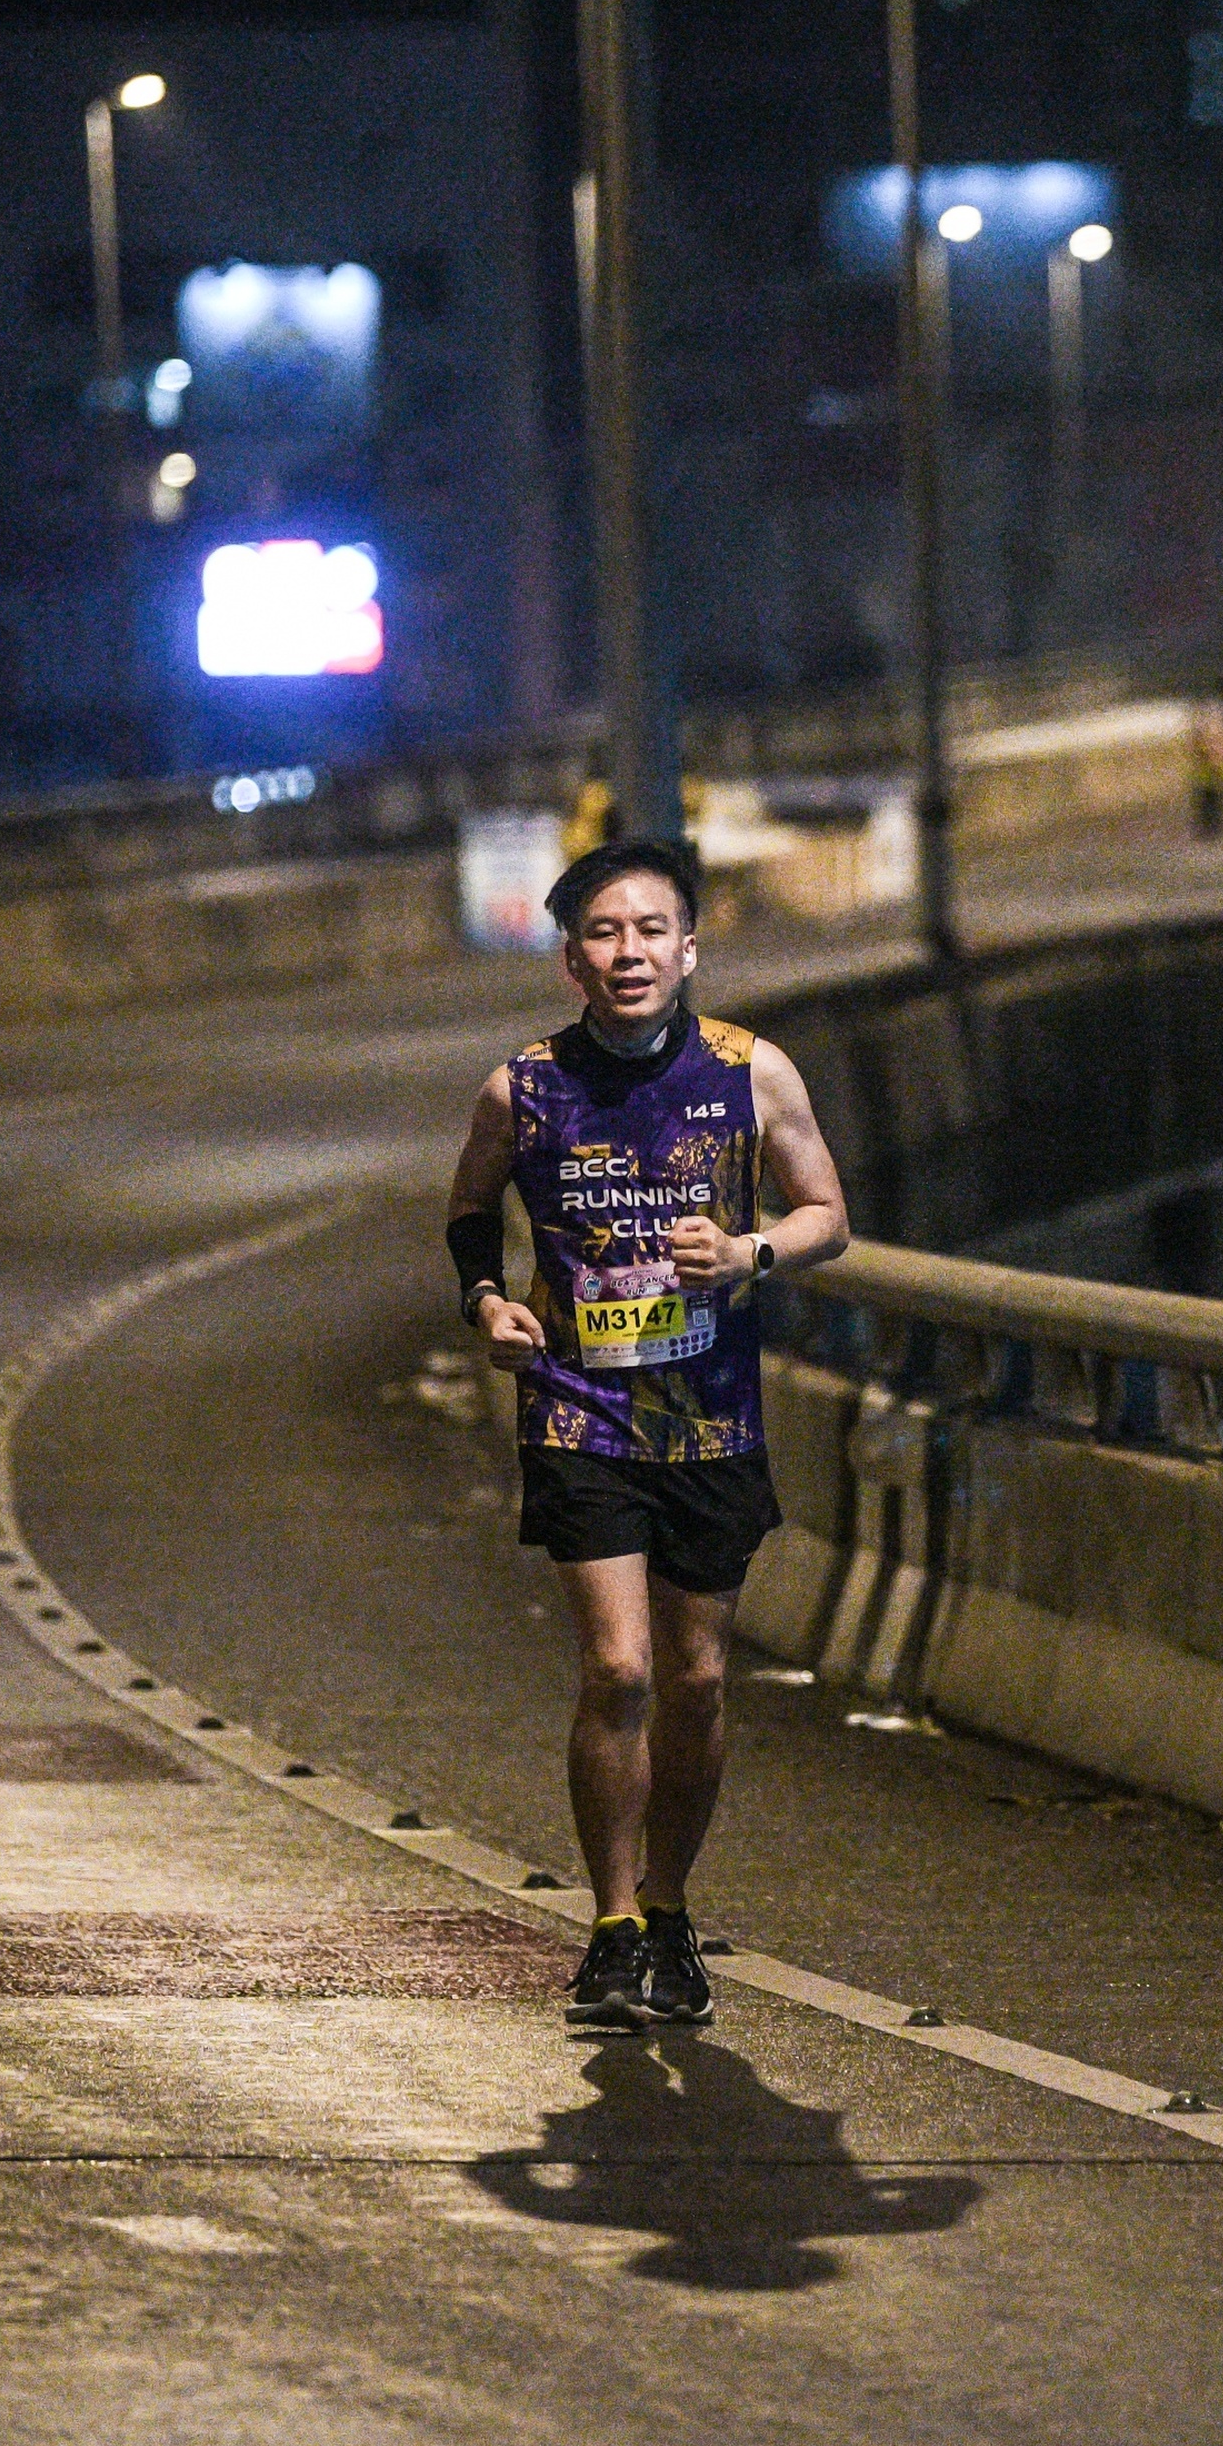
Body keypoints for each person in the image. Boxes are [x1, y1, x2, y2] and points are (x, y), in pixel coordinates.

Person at [444, 839, 850, 2032]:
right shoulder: (520, 1089)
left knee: (699, 1677)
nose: (630, 951)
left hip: (709, 1416)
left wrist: (748, 1251)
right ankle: (613, 1924)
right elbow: (468, 1210)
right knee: (617, 1668)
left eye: (651, 929)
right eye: (604, 933)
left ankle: (670, 1911)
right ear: (572, 959)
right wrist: (488, 1303)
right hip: (578, 1409)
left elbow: (828, 1214)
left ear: (688, 948)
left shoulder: (750, 1072)